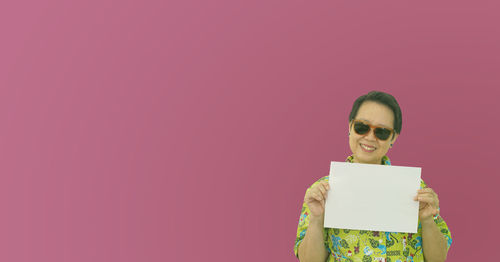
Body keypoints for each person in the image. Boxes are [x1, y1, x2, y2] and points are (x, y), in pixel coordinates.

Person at [294, 91, 452, 262]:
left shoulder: (414, 189)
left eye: (382, 132)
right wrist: (317, 219)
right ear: (350, 127)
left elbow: (438, 259)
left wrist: (427, 220)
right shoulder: (322, 190)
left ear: (393, 138)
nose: (369, 137)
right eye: (362, 127)